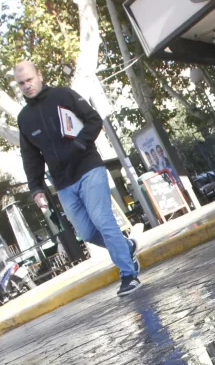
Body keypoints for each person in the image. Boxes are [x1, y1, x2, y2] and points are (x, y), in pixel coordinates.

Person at [13, 60, 141, 297]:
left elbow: (94, 119)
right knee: (87, 233)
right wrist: (36, 188)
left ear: (39, 75)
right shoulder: (24, 118)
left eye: (30, 80)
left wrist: (81, 143)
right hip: (62, 183)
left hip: (89, 168)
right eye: (21, 83)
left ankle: (129, 275)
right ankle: (126, 247)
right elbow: (30, 156)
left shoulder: (63, 95)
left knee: (103, 221)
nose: (27, 86)